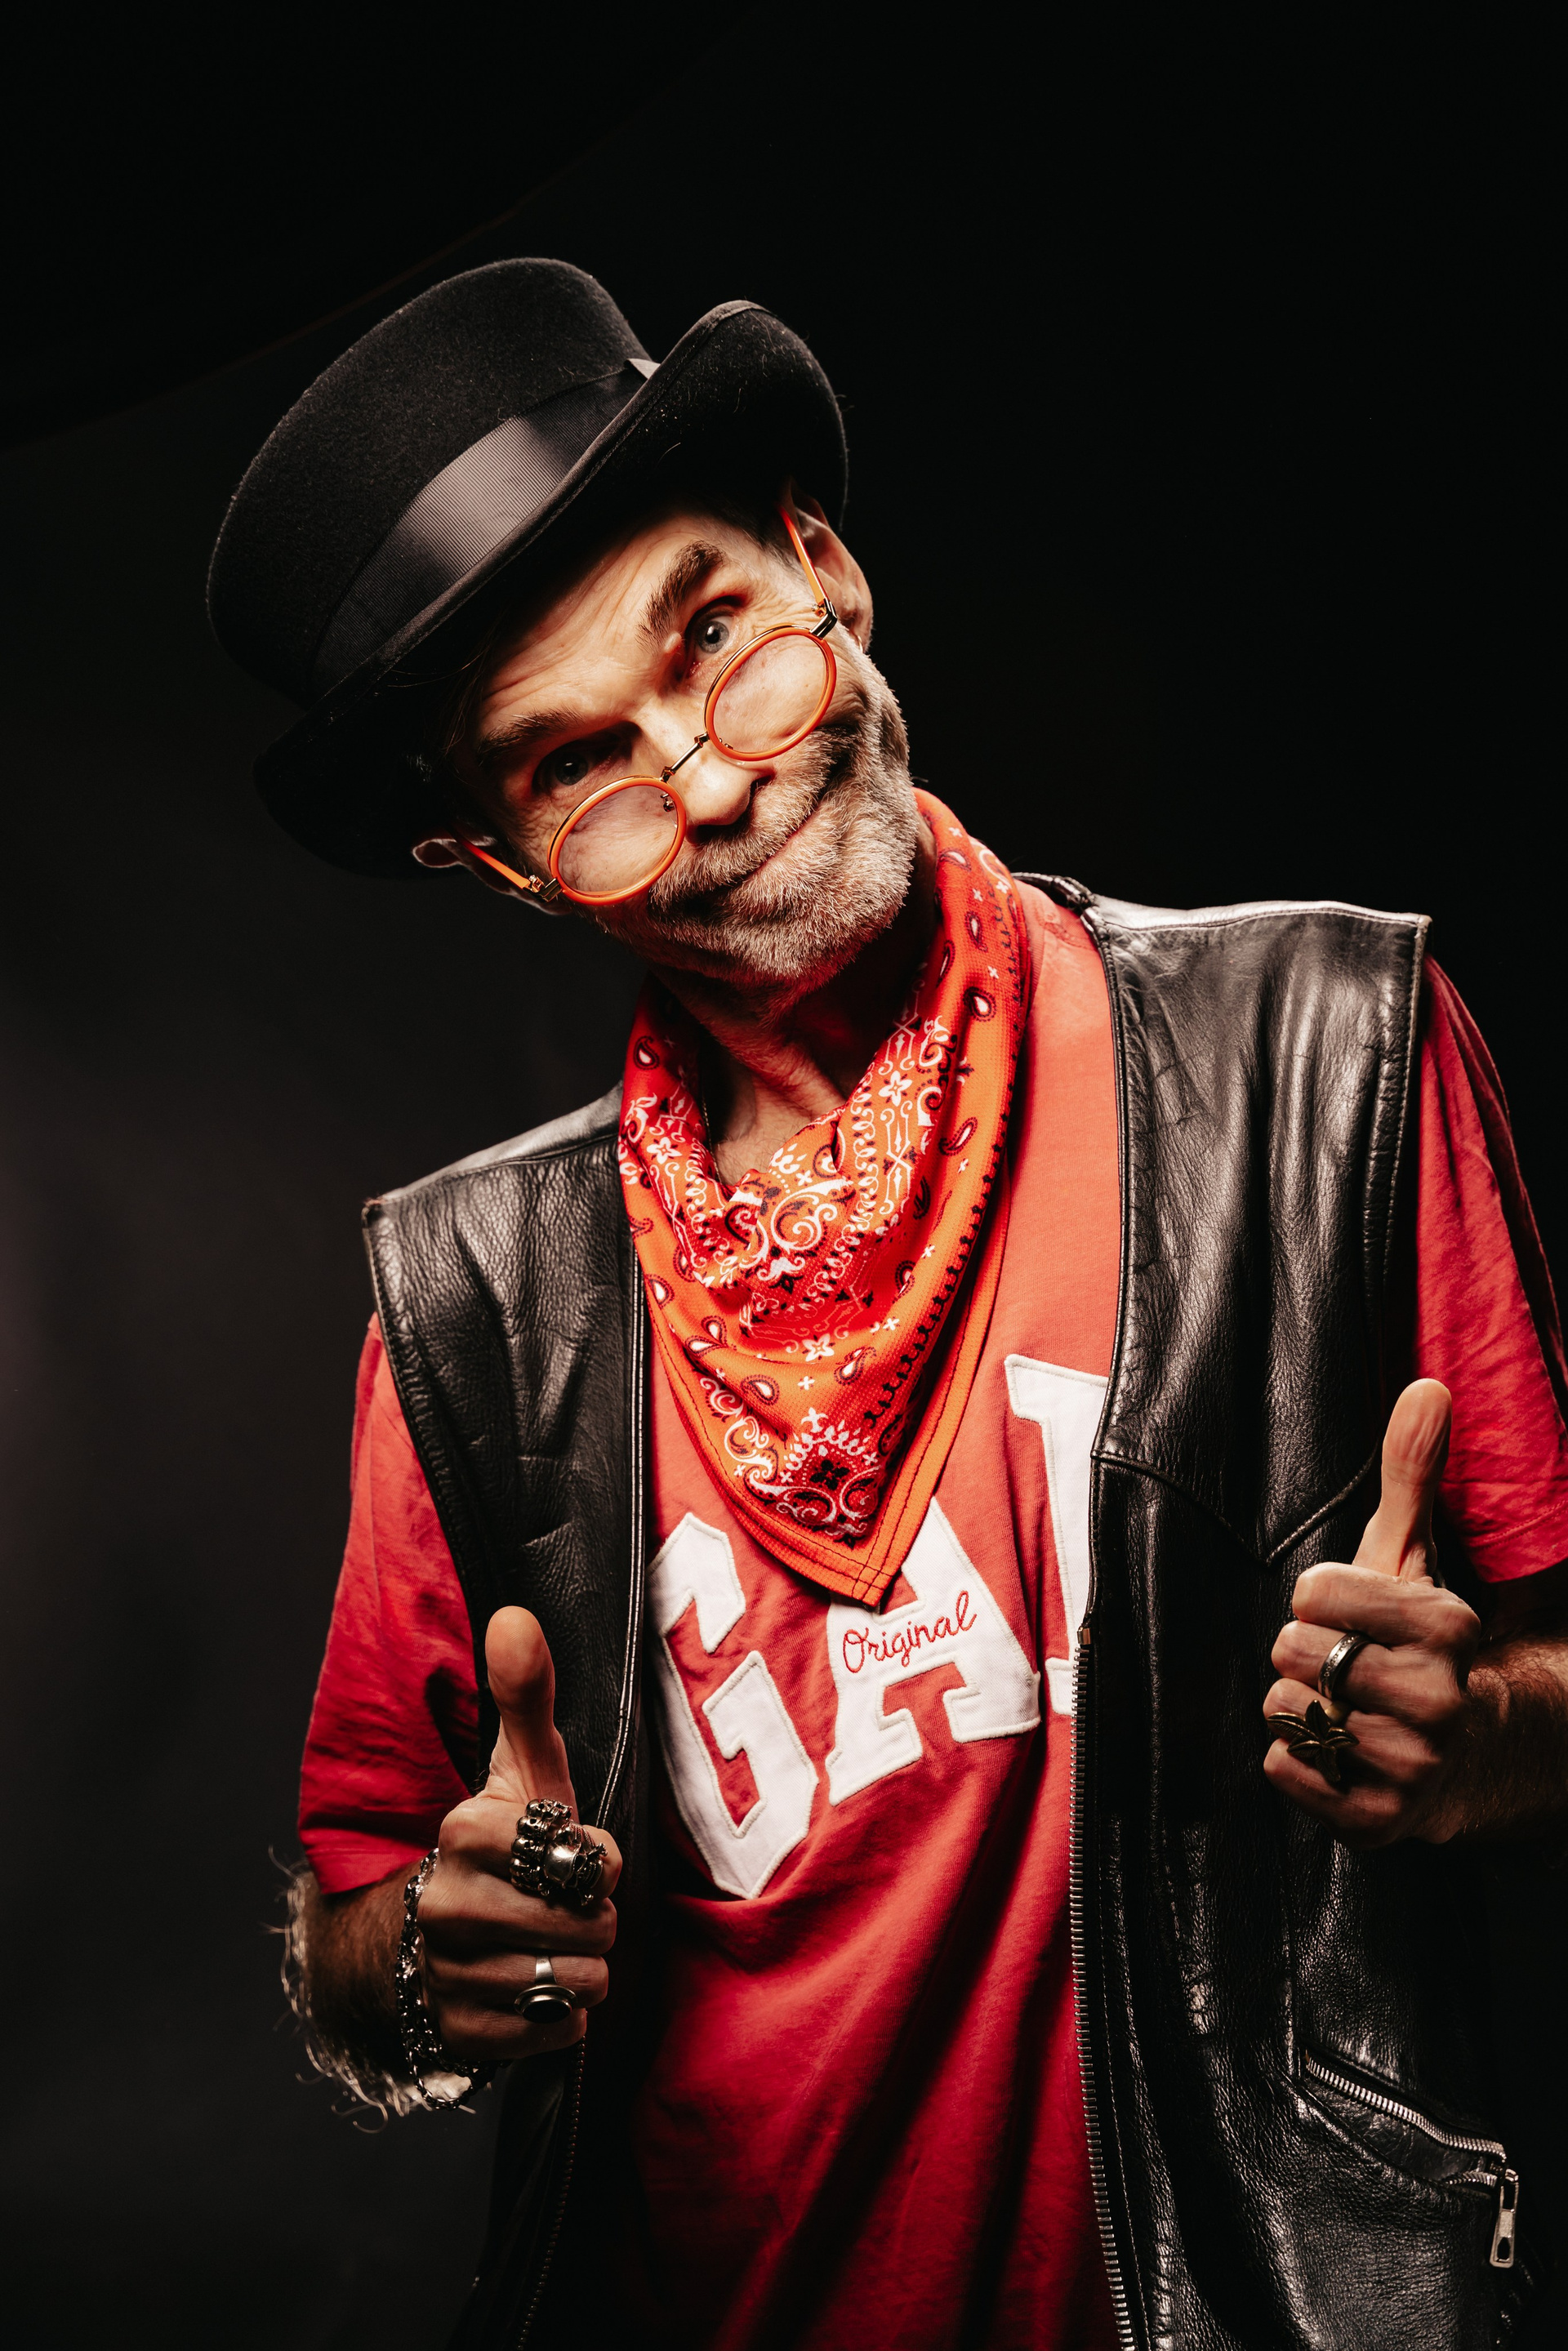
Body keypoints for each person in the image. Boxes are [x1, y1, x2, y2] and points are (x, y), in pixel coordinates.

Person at [208, 260, 1568, 2350]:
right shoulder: (477, 1306)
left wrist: (1478, 1742)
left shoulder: (1328, 1052)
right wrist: (426, 1972)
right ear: (501, 863)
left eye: (713, 636)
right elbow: (359, 1935)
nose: (714, 779)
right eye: (580, 768)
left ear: (820, 562)